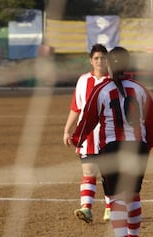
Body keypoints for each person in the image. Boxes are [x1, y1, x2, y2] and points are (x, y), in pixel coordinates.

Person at [70, 46, 153, 237]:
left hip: (113, 149)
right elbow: (151, 122)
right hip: (137, 148)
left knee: (116, 199)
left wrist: (77, 139)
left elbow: (87, 120)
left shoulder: (101, 89)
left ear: (108, 63)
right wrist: (146, 146)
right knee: (133, 196)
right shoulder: (140, 89)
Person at [63, 43, 111, 223]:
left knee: (108, 173)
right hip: (88, 134)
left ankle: (110, 208)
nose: (100, 61)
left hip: (109, 134)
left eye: (103, 58)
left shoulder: (113, 80)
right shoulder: (83, 80)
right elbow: (76, 107)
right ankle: (86, 208)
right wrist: (67, 129)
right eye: (96, 58)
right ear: (91, 61)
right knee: (89, 171)